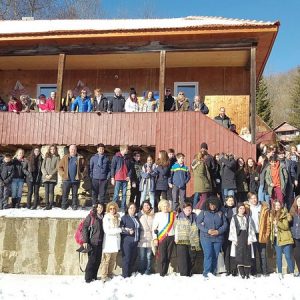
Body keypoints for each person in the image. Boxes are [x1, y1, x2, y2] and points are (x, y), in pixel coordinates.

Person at [196, 196, 227, 277]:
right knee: (208, 254)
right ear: (208, 205)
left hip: (218, 238)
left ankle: (213, 272)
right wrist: (207, 230)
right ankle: (206, 273)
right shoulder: (204, 212)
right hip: (206, 237)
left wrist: (218, 231)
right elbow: (198, 223)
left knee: (215, 255)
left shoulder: (220, 213)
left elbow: (225, 224)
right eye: (211, 205)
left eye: (214, 205)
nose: (212, 206)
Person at [229, 202, 257, 279]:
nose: (242, 210)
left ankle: (247, 273)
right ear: (238, 209)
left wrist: (250, 239)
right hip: (238, 236)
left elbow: (251, 228)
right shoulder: (234, 218)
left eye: (243, 208)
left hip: (246, 237)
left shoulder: (247, 217)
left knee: (247, 255)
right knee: (239, 255)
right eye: (240, 208)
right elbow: (232, 228)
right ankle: (242, 273)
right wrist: (234, 240)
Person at [247, 193, 270, 276]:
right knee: (253, 254)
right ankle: (254, 272)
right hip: (251, 234)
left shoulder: (263, 208)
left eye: (255, 198)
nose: (254, 200)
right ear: (249, 200)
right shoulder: (247, 208)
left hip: (261, 233)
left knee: (263, 253)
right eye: (252, 198)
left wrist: (267, 233)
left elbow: (268, 222)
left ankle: (264, 271)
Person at [270, 200, 295, 279]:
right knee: (278, 257)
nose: (277, 207)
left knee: (288, 256)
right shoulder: (272, 215)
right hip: (277, 239)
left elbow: (285, 227)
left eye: (278, 205)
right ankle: (280, 272)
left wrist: (277, 223)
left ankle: (291, 272)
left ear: (281, 205)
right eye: (275, 205)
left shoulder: (285, 214)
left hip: (285, 239)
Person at [175, 202, 200, 276]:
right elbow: (176, 228)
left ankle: (189, 271)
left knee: (192, 256)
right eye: (187, 209)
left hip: (192, 239)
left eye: (190, 209)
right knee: (183, 257)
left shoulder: (194, 216)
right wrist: (176, 238)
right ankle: (183, 273)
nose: (189, 211)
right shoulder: (179, 216)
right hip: (181, 239)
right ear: (183, 209)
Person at [58, 144, 86, 210]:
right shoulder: (65, 157)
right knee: (65, 194)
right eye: (72, 149)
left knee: (75, 194)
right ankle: (64, 206)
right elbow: (59, 167)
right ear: (69, 150)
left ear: (76, 150)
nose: (73, 150)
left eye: (74, 149)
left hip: (76, 180)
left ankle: (74, 205)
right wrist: (63, 174)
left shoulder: (80, 157)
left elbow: (85, 167)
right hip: (66, 179)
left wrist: (82, 175)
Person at [99, 201, 122, 283]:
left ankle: (110, 273)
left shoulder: (118, 217)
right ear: (108, 209)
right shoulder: (106, 218)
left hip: (116, 242)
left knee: (113, 260)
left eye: (114, 209)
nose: (112, 210)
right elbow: (107, 231)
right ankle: (104, 276)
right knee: (106, 260)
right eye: (110, 209)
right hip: (109, 242)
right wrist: (119, 230)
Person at [82, 203, 104, 283]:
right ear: (96, 208)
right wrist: (85, 241)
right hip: (92, 242)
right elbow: (84, 227)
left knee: (98, 260)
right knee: (92, 260)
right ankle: (88, 278)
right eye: (98, 207)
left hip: (100, 243)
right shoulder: (91, 216)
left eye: (101, 207)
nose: (100, 209)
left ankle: (94, 276)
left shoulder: (102, 217)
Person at [152, 199, 175, 276]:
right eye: (164, 206)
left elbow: (175, 227)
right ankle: (161, 273)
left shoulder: (172, 215)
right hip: (162, 238)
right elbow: (154, 228)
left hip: (171, 237)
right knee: (162, 256)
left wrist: (176, 237)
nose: (165, 207)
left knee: (168, 255)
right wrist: (155, 238)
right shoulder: (158, 215)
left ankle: (165, 272)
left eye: (167, 206)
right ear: (160, 207)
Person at [120, 203, 140, 278]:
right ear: (127, 209)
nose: (132, 209)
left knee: (133, 258)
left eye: (134, 208)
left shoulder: (136, 218)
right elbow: (121, 228)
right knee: (126, 259)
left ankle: (130, 273)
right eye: (131, 208)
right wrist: (127, 231)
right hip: (127, 241)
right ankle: (125, 275)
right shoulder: (124, 218)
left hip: (135, 241)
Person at [111, 145, 132, 211]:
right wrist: (112, 178)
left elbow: (130, 169)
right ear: (123, 149)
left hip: (125, 178)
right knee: (116, 194)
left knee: (124, 194)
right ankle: (113, 207)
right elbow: (112, 168)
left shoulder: (128, 158)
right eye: (126, 149)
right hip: (118, 178)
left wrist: (128, 176)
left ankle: (123, 207)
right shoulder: (116, 157)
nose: (127, 150)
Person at [138, 200, 154, 275]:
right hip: (142, 237)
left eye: (148, 205)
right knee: (142, 256)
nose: (146, 207)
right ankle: (141, 270)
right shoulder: (139, 214)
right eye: (145, 205)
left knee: (149, 256)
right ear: (142, 207)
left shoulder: (153, 215)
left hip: (151, 238)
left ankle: (148, 270)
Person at [41, 145, 60, 210]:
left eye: (54, 149)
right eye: (51, 149)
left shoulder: (57, 157)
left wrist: (51, 175)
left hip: (53, 177)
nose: (52, 150)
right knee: (46, 191)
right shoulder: (46, 156)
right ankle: (47, 204)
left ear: (55, 150)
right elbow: (42, 167)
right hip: (45, 177)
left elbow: (57, 167)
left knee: (51, 191)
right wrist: (46, 175)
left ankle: (51, 204)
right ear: (49, 150)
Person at [222, 196, 237, 276]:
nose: (231, 202)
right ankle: (228, 269)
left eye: (232, 200)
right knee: (226, 251)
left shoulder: (236, 209)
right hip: (225, 233)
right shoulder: (223, 210)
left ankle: (233, 269)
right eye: (229, 200)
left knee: (233, 251)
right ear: (226, 201)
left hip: (234, 233)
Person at [290, 195, 300, 276]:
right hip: (295, 236)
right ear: (296, 202)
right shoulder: (292, 211)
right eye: (298, 201)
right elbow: (289, 223)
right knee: (297, 255)